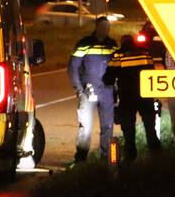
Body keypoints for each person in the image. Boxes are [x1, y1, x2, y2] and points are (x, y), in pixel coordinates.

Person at [103, 34, 162, 162]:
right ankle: (157, 157)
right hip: (145, 96)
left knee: (129, 131)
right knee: (150, 128)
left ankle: (130, 159)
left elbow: (108, 78)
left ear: (122, 42)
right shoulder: (145, 53)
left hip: (127, 97)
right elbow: (151, 71)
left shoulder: (118, 55)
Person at [68, 16, 117, 164]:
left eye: (107, 27)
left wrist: (116, 88)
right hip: (89, 90)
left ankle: (106, 158)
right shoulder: (85, 44)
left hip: (107, 91)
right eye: (102, 26)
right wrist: (78, 88)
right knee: (86, 126)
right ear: (96, 27)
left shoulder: (112, 45)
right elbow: (73, 66)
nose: (105, 29)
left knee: (108, 126)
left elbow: (117, 66)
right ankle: (81, 158)